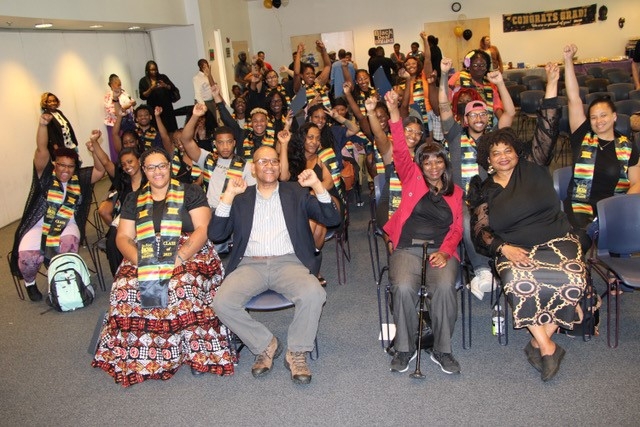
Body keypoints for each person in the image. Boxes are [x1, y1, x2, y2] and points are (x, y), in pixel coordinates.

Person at [92, 147, 234, 387]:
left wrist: (180, 257)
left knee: (180, 284)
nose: (157, 171)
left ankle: (194, 352)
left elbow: (202, 229)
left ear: (170, 167)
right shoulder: (133, 198)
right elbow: (124, 237)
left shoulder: (190, 191)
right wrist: (140, 261)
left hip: (188, 248)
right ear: (143, 170)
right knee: (126, 286)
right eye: (151, 167)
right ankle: (145, 355)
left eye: (162, 165)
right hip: (145, 249)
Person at [209, 146, 341, 384]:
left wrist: (317, 185)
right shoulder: (241, 197)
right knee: (222, 303)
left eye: (273, 161)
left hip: (288, 261)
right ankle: (266, 344)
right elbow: (216, 234)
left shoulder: (297, 193)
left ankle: (296, 352)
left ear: (280, 167)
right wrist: (228, 195)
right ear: (253, 167)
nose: (269, 165)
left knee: (314, 293)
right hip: (250, 264)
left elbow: (332, 218)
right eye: (262, 161)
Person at [468, 122, 587, 381]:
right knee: (517, 281)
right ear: (488, 159)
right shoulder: (484, 188)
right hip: (513, 248)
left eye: (507, 150)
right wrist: (503, 247)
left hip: (557, 239)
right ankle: (547, 346)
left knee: (573, 279)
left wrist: (553, 82)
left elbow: (547, 128)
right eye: (496, 153)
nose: (503, 157)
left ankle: (539, 343)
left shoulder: (533, 168)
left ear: (516, 151)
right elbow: (480, 231)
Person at [382, 90, 464, 375]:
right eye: (427, 161)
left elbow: (456, 229)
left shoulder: (456, 192)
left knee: (443, 288)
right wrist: (394, 111)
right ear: (420, 164)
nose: (432, 166)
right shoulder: (411, 179)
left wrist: (444, 251)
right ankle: (404, 348)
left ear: (445, 163)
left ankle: (442, 349)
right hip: (407, 247)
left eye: (438, 160)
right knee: (403, 287)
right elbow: (401, 149)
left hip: (442, 250)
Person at [438, 57, 516, 300]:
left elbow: (510, 113)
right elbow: (442, 106)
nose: (479, 118)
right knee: (466, 219)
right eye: (474, 115)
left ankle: (506, 264)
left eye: (483, 114)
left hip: (489, 194)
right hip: (459, 195)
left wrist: (500, 84)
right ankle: (482, 270)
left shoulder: (493, 138)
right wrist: (443, 75)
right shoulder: (454, 135)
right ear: (465, 119)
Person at [10, 116, 105, 301]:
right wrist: (43, 125)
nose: (65, 170)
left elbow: (100, 171)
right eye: (61, 164)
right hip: (40, 225)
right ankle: (30, 284)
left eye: (70, 166)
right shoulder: (44, 176)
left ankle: (62, 278)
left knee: (68, 244)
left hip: (67, 223)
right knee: (27, 258)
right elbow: (41, 150)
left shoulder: (80, 179)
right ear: (55, 164)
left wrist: (93, 148)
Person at [563, 44, 640, 250]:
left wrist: (618, 208)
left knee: (620, 243)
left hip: (612, 207)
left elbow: (636, 183)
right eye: (594, 117)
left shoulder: (627, 146)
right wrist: (568, 61)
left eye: (604, 115)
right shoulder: (582, 136)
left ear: (614, 117)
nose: (598, 121)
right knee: (579, 243)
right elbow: (573, 98)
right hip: (581, 206)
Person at [181, 103, 255, 210]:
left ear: (234, 143)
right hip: (209, 211)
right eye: (221, 142)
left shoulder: (246, 166)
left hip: (233, 213)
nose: (225, 147)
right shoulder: (207, 159)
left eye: (229, 142)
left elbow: (252, 196)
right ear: (215, 144)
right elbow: (185, 140)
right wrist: (195, 116)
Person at [89, 133, 143, 275]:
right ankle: (119, 278)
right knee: (112, 242)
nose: (127, 166)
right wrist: (94, 142)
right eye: (124, 164)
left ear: (139, 160)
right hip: (125, 217)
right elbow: (106, 161)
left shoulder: (150, 176)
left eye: (130, 162)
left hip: (147, 214)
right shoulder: (122, 179)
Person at [448, 50, 505, 125]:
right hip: (459, 124)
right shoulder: (458, 77)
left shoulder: (490, 84)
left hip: (484, 124)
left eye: (482, 65)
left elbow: (497, 107)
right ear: (468, 65)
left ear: (486, 67)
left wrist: (504, 126)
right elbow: (447, 101)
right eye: (475, 65)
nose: (479, 68)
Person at [138, 60, 180, 134]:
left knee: (170, 129)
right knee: (157, 130)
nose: (154, 71)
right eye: (152, 70)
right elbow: (143, 96)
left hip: (167, 107)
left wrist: (165, 85)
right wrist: (151, 88)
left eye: (155, 69)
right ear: (147, 70)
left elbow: (173, 88)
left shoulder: (163, 77)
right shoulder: (143, 81)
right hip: (153, 108)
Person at [104, 74, 136, 161]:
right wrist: (127, 105)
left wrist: (131, 104)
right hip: (115, 124)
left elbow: (132, 102)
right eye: (116, 83)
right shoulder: (109, 96)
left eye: (119, 82)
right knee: (118, 146)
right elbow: (114, 111)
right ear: (110, 84)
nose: (118, 84)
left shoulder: (124, 93)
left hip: (128, 122)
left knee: (129, 144)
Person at [293, 41, 332, 110]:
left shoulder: (317, 83)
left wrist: (323, 49)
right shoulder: (300, 88)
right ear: (302, 76)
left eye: (312, 73)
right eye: (307, 74)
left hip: (326, 118)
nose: (311, 75)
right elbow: (296, 73)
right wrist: (299, 52)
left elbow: (328, 66)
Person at [40, 92, 78, 158]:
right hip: (60, 147)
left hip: (70, 144)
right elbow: (51, 134)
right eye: (49, 101)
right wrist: (57, 150)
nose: (53, 103)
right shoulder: (46, 115)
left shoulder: (59, 112)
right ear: (45, 103)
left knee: (75, 163)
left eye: (54, 101)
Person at [192, 58, 218, 124]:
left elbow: (214, 87)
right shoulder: (197, 78)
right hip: (205, 103)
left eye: (207, 65)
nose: (206, 67)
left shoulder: (209, 75)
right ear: (200, 66)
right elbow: (198, 93)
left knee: (214, 121)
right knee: (208, 122)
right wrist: (203, 106)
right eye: (204, 65)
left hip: (212, 101)